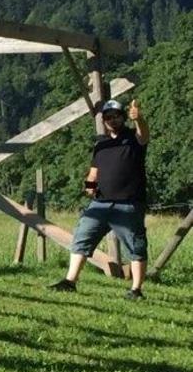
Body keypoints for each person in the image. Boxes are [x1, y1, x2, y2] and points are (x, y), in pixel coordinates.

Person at [49, 98, 150, 299]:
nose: (112, 120)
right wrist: (89, 188)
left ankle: (136, 289)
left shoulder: (133, 138)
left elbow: (144, 135)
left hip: (128, 204)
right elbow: (93, 173)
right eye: (108, 117)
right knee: (81, 238)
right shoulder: (101, 145)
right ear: (104, 121)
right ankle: (70, 281)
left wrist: (139, 119)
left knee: (135, 246)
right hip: (100, 204)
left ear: (123, 118)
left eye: (116, 116)